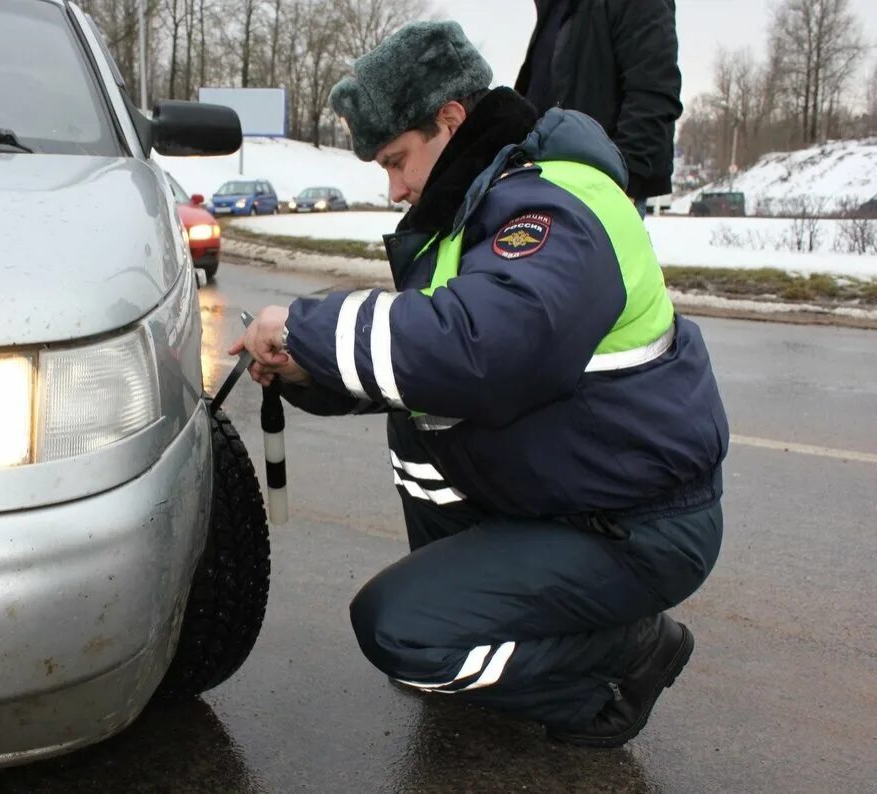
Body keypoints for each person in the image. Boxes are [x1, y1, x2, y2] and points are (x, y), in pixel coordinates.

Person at [230, 20, 728, 747]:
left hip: (639, 523)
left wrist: (306, 327)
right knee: (418, 422)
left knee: (399, 633)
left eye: (398, 160)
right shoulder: (479, 209)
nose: (396, 187)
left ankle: (623, 662)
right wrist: (304, 369)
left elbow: (481, 350)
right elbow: (423, 363)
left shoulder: (555, 203)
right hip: (574, 496)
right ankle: (471, 620)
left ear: (451, 119)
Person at [515, 0, 682, 215]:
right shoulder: (557, 8)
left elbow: (654, 93)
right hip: (540, 182)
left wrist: (625, 180)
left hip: (601, 190)